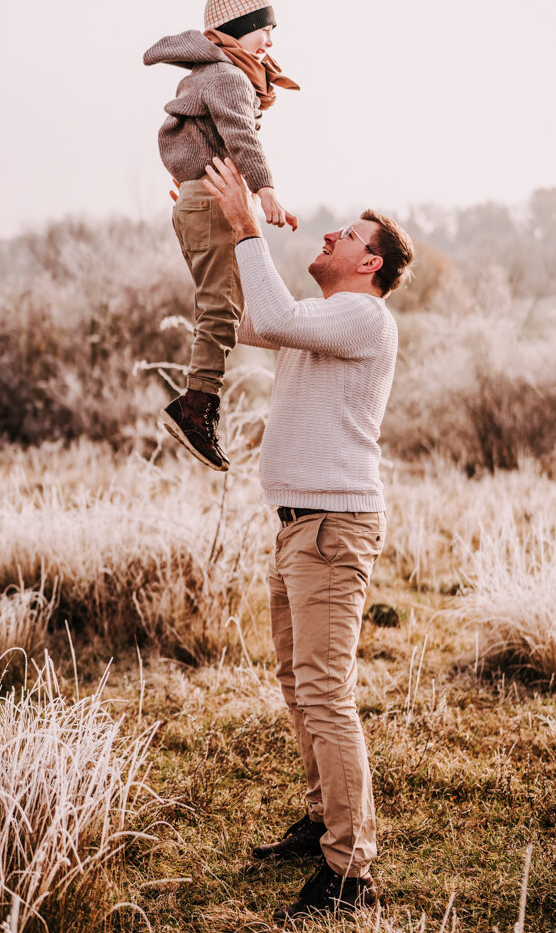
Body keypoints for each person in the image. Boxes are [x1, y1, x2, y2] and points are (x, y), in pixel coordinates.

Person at [202, 156, 415, 921]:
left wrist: (248, 225)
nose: (328, 232)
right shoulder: (320, 319)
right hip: (300, 525)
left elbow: (277, 314)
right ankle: (327, 819)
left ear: (370, 263)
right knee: (299, 685)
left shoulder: (362, 316)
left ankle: (350, 874)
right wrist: (213, 217)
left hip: (332, 526)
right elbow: (256, 315)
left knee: (325, 694)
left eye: (348, 233)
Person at [143, 0, 299, 473]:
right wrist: (266, 190)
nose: (270, 44)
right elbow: (240, 136)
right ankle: (196, 409)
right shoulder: (230, 76)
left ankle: (199, 403)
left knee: (223, 305)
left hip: (194, 200)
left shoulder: (206, 72)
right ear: (237, 32)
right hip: (214, 200)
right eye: (264, 31)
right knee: (219, 307)